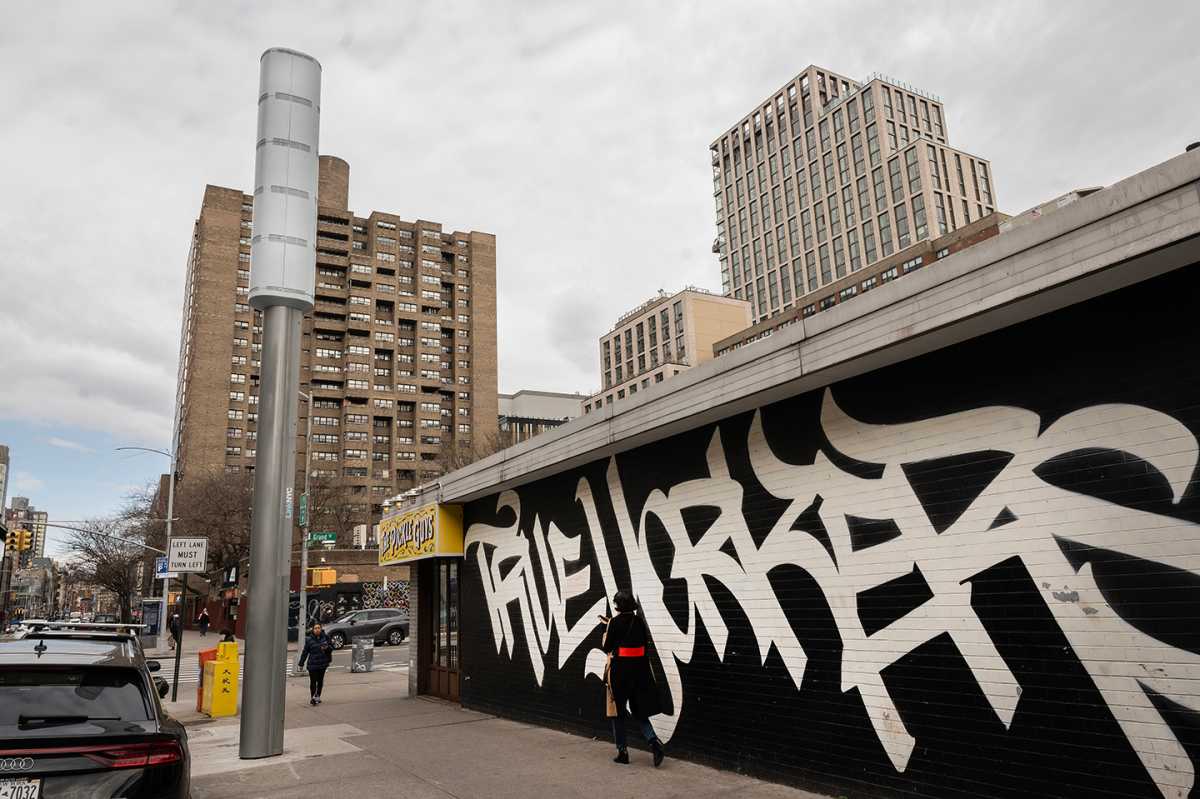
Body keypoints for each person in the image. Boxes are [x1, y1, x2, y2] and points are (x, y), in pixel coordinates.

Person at [600, 590, 665, 767]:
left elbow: (607, 647)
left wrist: (606, 632)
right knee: (639, 711)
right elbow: (644, 645)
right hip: (639, 673)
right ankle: (654, 742)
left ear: (618, 606)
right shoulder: (639, 622)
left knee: (618, 713)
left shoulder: (614, 622)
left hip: (619, 673)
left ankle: (623, 752)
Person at [298, 622, 333, 706]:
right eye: (315, 628)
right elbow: (305, 652)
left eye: (318, 628)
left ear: (321, 629)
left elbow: (332, 648)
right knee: (313, 681)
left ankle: (318, 696)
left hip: (322, 663)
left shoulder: (325, 637)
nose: (317, 630)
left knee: (320, 680)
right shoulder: (309, 639)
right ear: (313, 630)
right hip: (312, 664)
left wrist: (327, 648)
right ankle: (313, 697)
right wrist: (301, 663)